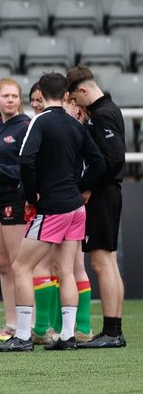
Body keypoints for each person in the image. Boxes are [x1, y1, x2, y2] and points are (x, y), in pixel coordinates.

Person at [0, 72, 106, 352]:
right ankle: (67, 335)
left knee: (21, 267)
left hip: (52, 207)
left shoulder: (40, 121)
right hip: (75, 207)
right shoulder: (76, 124)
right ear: (67, 95)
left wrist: (32, 195)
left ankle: (23, 335)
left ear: (41, 93)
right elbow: (99, 164)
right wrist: (77, 187)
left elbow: (26, 159)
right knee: (66, 270)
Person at [67, 65, 128, 349]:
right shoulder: (105, 111)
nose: (76, 105)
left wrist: (86, 185)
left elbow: (112, 160)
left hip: (103, 195)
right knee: (108, 263)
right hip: (107, 192)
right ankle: (113, 329)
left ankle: (112, 332)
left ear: (83, 90)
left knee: (102, 263)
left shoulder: (103, 114)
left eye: (75, 98)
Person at [0, 78, 31, 341]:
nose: (10, 100)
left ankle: (28, 324)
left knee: (17, 263)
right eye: (6, 96)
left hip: (14, 198)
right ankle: (10, 324)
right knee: (2, 265)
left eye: (15, 96)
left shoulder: (25, 127)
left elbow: (23, 169)